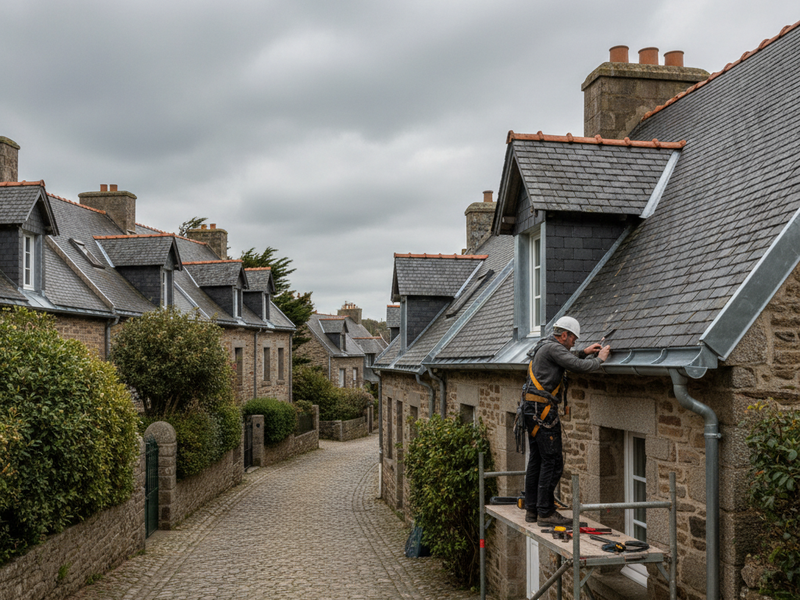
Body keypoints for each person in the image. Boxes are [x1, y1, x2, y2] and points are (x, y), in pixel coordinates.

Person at [523, 316, 610, 526]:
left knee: (537, 460)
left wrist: (584, 352)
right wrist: (600, 359)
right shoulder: (553, 348)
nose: (574, 343)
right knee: (553, 462)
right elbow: (577, 366)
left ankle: (532, 510)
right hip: (543, 412)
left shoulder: (545, 346)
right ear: (564, 335)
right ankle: (546, 512)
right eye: (573, 340)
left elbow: (566, 357)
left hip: (531, 410)